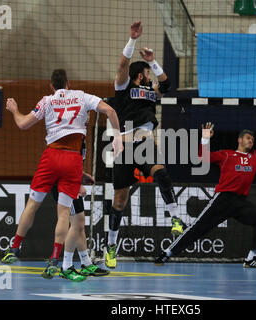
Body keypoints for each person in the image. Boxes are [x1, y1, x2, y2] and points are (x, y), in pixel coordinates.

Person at [1, 69, 123, 280]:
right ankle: (56, 260)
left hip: (51, 157)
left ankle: (14, 248)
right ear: (68, 83)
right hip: (72, 160)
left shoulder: (47, 101)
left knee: (33, 204)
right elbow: (110, 111)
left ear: (51, 86)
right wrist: (117, 138)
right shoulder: (82, 96)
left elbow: (22, 124)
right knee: (66, 215)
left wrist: (14, 109)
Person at [155, 106, 256, 268]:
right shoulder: (227, 155)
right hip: (223, 199)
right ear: (239, 140)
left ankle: (250, 258)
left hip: (240, 202)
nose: (251, 140)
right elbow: (202, 157)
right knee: (198, 229)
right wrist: (205, 138)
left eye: (252, 139)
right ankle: (167, 253)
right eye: (247, 138)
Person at [104, 21, 185, 269]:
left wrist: (153, 61)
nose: (150, 76)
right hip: (123, 147)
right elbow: (122, 65)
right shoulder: (124, 86)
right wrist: (133, 39)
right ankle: (111, 246)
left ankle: (175, 218)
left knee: (160, 171)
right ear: (139, 74)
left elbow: (168, 86)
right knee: (120, 200)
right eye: (148, 72)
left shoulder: (151, 89)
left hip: (145, 142)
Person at [51, 172, 110, 282]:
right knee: (76, 224)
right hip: (64, 183)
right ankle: (66, 267)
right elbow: (65, 163)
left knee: (80, 223)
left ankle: (86, 264)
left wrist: (82, 175)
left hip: (69, 182)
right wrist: (78, 185)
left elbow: (73, 163)